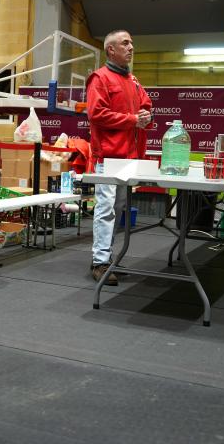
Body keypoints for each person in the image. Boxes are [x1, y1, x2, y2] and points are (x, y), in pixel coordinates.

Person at [87, 30, 152, 285]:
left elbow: (146, 105)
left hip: (128, 157)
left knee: (117, 209)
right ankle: (100, 262)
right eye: (125, 43)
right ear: (110, 50)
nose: (131, 47)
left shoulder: (133, 80)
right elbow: (96, 114)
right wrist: (134, 120)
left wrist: (147, 117)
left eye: (132, 43)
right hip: (108, 157)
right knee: (105, 210)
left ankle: (108, 258)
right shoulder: (99, 78)